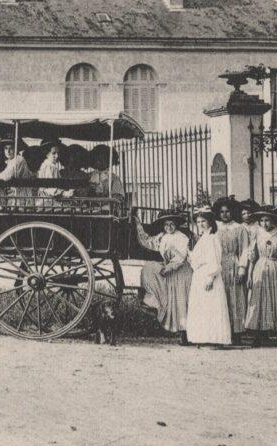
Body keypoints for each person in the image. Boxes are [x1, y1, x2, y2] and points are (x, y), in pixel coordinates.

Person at [135, 210, 193, 344]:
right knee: (150, 269)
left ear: (176, 225)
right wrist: (137, 224)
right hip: (172, 272)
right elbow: (147, 242)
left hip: (182, 272)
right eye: (166, 225)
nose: (169, 227)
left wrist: (169, 267)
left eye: (172, 224)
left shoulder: (181, 237)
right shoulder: (163, 237)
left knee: (182, 301)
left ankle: (186, 334)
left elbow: (181, 257)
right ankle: (180, 331)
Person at [242, 206, 277, 345]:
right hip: (260, 268)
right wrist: (249, 276)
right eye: (262, 220)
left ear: (274, 221)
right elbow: (252, 257)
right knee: (260, 298)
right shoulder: (257, 234)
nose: (264, 223)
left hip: (275, 268)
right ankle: (260, 333)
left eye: (267, 220)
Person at [185, 208, 232, 347]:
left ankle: (214, 338)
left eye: (203, 221)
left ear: (210, 221)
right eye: (198, 222)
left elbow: (215, 259)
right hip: (199, 275)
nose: (201, 224)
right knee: (202, 307)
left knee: (211, 306)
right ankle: (202, 337)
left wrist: (211, 277)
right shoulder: (203, 238)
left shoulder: (212, 237)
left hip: (208, 275)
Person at [212, 196, 250, 343]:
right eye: (222, 212)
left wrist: (242, 268)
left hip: (234, 264)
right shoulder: (215, 228)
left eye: (227, 211)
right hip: (219, 265)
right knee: (220, 297)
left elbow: (244, 249)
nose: (225, 215)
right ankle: (222, 332)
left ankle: (237, 334)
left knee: (235, 297)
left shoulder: (240, 228)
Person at [0, 138, 35, 208]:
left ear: (16, 149)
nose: (8, 151)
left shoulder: (18, 159)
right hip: (15, 194)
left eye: (11, 148)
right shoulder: (10, 161)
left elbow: (6, 176)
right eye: (6, 149)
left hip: (21, 195)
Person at [36, 139, 75, 207]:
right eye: (53, 153)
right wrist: (64, 193)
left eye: (58, 153)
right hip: (48, 201)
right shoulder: (48, 166)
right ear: (47, 153)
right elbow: (50, 188)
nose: (57, 156)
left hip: (51, 200)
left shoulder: (50, 165)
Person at [89, 144, 126, 209]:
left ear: (108, 161)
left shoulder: (114, 179)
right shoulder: (89, 176)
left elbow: (117, 199)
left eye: (102, 158)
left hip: (107, 210)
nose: (98, 161)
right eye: (96, 158)